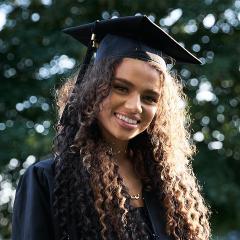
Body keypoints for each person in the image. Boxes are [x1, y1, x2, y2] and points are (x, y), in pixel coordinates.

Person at [12, 15, 211, 240]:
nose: (135, 107)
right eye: (121, 88)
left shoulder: (168, 187)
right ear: (93, 89)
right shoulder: (48, 180)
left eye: (149, 98)